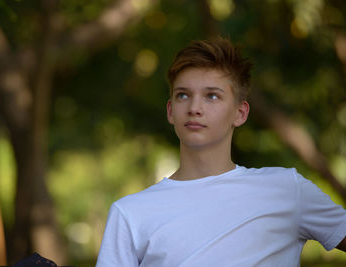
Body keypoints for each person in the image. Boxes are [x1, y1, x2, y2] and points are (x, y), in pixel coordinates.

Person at [95, 37, 346, 266]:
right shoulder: (130, 213)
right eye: (183, 95)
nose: (194, 108)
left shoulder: (286, 190)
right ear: (170, 111)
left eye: (212, 96)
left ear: (240, 112)